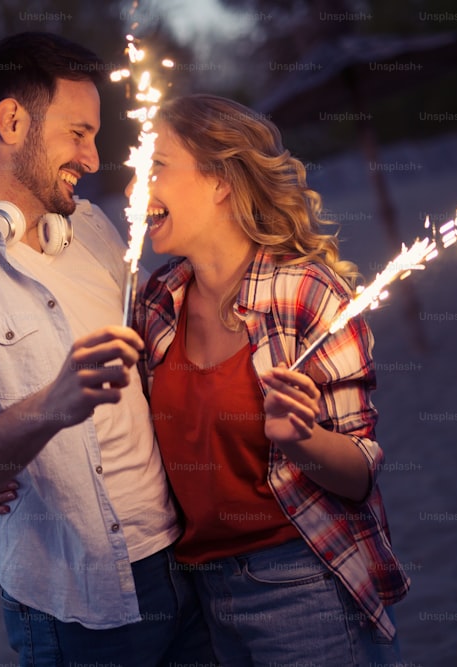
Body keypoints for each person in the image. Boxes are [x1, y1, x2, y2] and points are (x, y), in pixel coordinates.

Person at [0, 32, 213, 666]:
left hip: (188, 562)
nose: (93, 158)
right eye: (78, 133)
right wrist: (46, 412)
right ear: (12, 120)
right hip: (80, 608)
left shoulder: (91, 227)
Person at [134, 93, 410, 665]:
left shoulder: (307, 296)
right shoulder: (157, 302)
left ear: (220, 181)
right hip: (201, 595)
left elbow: (360, 473)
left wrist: (301, 440)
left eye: (157, 163)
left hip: (301, 584)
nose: (139, 180)